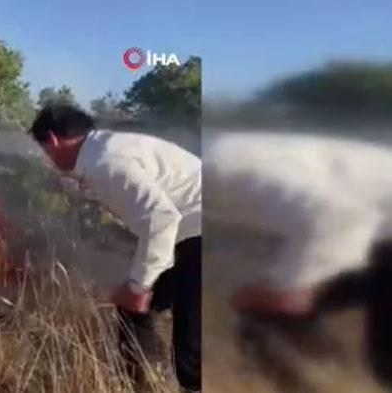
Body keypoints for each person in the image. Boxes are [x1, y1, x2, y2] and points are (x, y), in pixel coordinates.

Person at [29, 105, 202, 392]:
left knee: (193, 345)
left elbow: (161, 219)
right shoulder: (101, 151)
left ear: (53, 139)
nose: (48, 160)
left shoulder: (107, 161)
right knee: (135, 311)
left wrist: (138, 285)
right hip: (188, 232)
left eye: (45, 152)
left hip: (205, 232)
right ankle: (143, 383)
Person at [204, 131, 392, 388]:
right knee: (268, 309)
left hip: (364, 230)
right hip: (372, 235)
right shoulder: (226, 166)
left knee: (271, 313)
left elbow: (341, 218)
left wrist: (289, 288)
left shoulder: (228, 170)